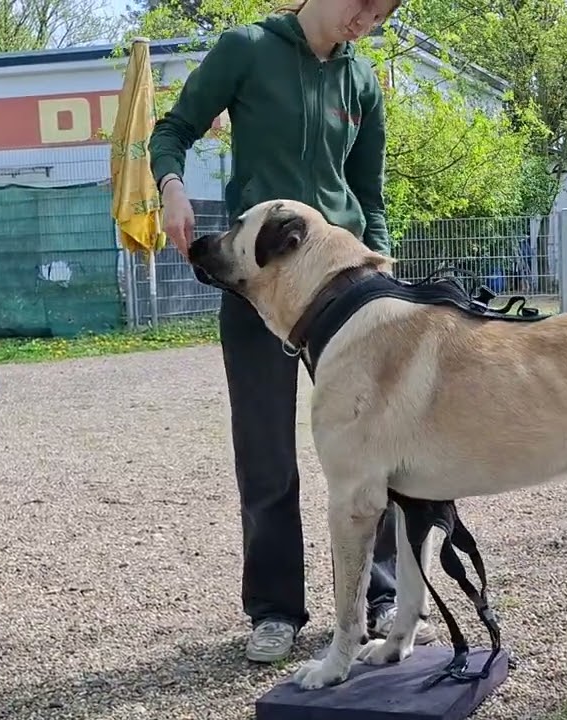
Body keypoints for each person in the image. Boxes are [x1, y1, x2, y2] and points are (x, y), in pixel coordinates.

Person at [148, 0, 438, 663]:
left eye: (382, 13)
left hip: (346, 296)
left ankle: (382, 595)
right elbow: (174, 128)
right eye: (363, 5)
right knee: (265, 452)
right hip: (261, 287)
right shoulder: (245, 48)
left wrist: (384, 276)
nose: (366, 20)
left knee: (378, 447)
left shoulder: (360, 81)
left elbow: (369, 194)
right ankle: (275, 610)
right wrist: (172, 186)